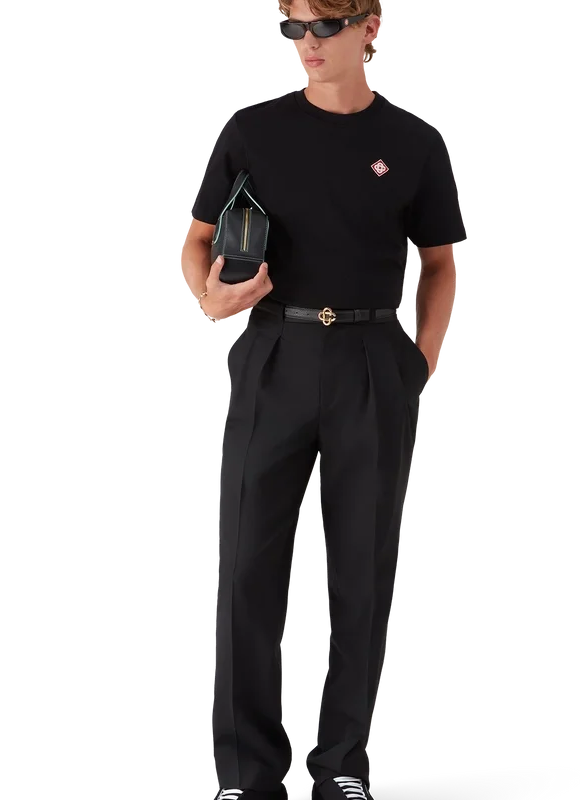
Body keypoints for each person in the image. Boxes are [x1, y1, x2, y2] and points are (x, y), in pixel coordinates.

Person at [179, 1, 467, 797]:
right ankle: (247, 769)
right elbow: (197, 238)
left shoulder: (413, 143)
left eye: (324, 27)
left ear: (371, 27)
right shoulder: (253, 131)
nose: (306, 44)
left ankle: (342, 762)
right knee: (247, 563)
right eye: (293, 29)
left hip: (373, 359)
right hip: (276, 349)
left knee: (363, 570)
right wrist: (208, 296)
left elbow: (440, 261)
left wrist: (420, 365)